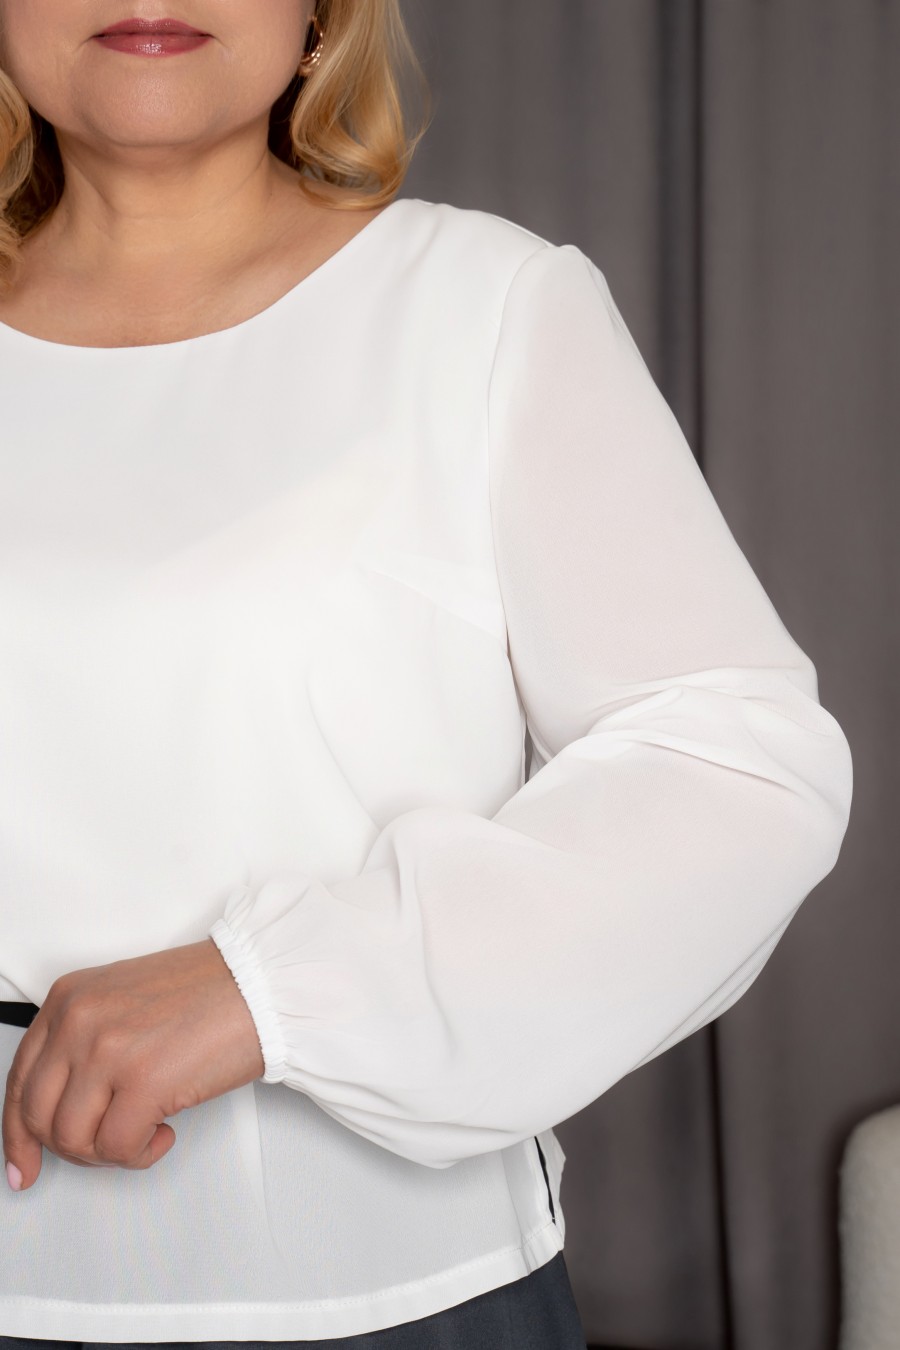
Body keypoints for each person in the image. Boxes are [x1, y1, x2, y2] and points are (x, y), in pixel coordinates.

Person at [0, 0, 853, 1347]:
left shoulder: (481, 307)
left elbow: (735, 764)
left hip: (394, 1300)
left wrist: (277, 988)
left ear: (318, 13)